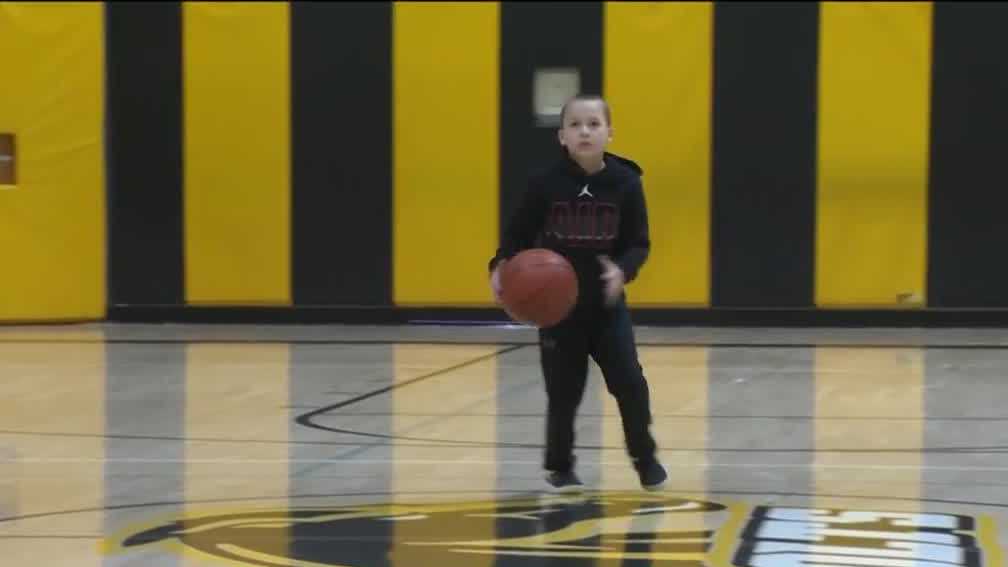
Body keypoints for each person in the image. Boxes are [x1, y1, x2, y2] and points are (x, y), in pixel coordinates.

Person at [487, 94, 667, 493]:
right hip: (557, 310)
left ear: (609, 133)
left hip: (606, 307)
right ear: (562, 137)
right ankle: (560, 465)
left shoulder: (626, 182)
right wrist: (500, 267)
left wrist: (623, 271)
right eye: (575, 125)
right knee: (564, 392)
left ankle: (645, 457)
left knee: (630, 384)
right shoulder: (545, 184)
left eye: (593, 124)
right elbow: (515, 237)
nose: (585, 130)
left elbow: (639, 243)